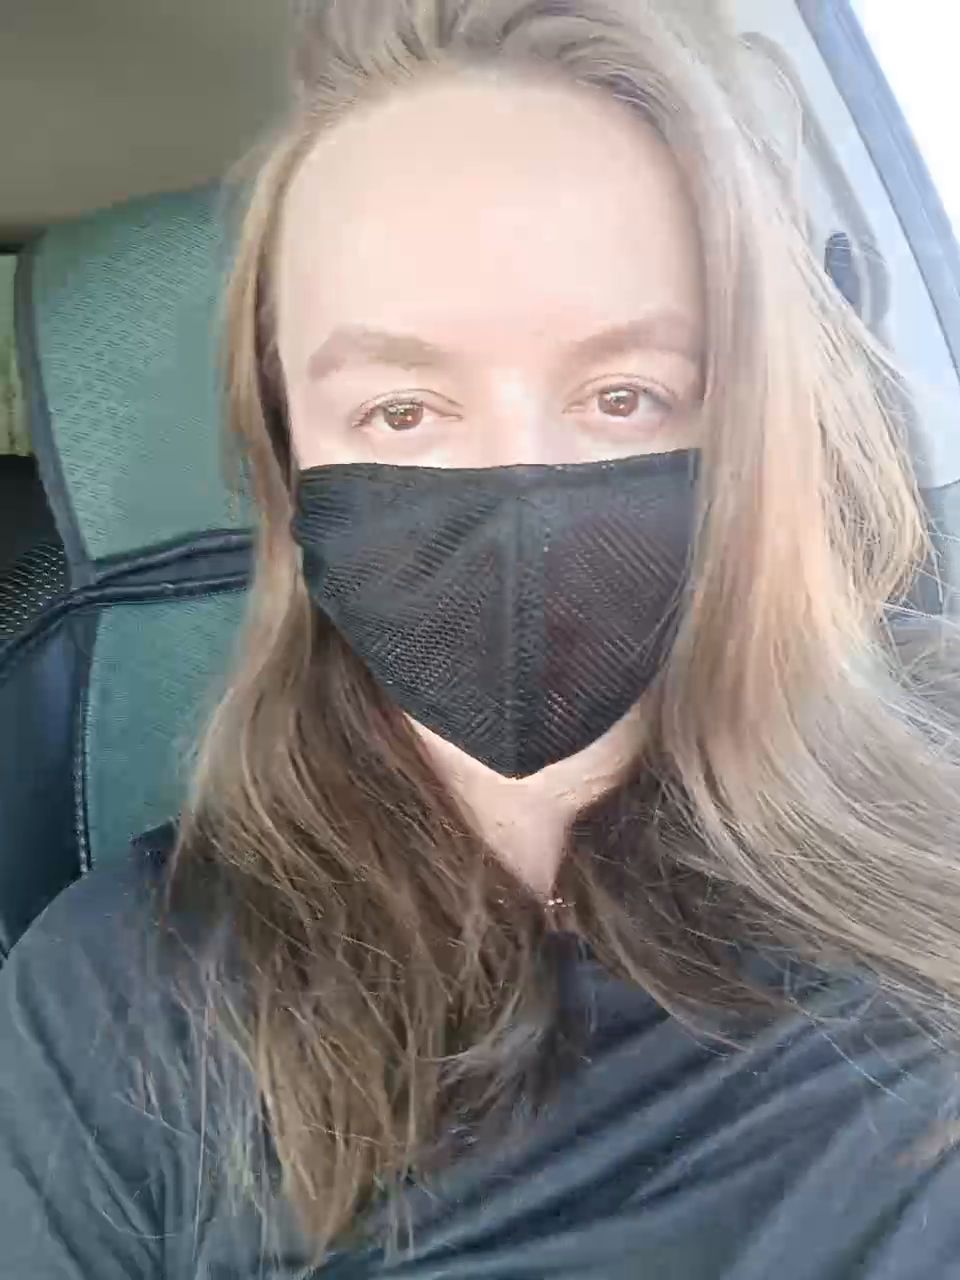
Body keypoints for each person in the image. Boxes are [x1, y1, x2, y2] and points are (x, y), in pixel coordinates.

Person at [4, 0, 960, 1275]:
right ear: (291, 457)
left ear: (748, 426)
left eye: (623, 394)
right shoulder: (113, 1001)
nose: (517, 484)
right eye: (403, 410)